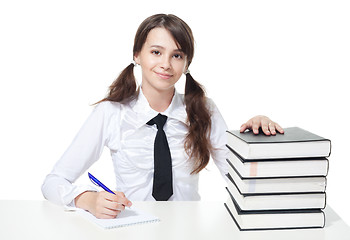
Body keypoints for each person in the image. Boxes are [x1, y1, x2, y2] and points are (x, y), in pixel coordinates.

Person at [41, 14, 283, 219]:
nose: (166, 64)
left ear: (187, 63)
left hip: (189, 229)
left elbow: (244, 182)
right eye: (156, 52)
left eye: (177, 55)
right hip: (132, 227)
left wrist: (255, 140)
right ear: (137, 55)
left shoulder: (203, 110)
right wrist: (89, 200)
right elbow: (53, 182)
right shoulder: (111, 112)